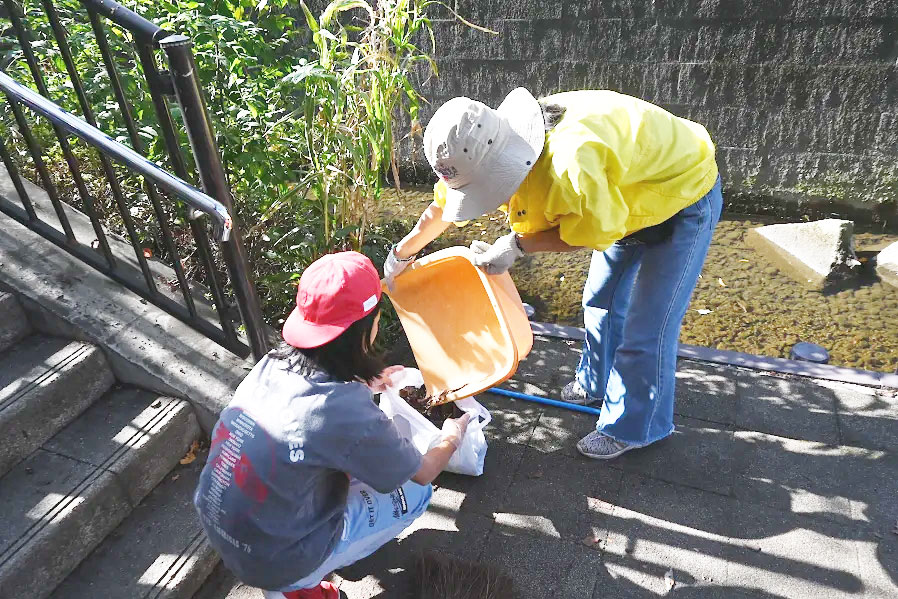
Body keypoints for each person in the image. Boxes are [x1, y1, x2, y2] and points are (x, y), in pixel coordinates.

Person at [384, 88, 722, 460]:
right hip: (623, 193)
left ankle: (636, 427)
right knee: (600, 299)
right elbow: (442, 206)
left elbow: (590, 234)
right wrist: (401, 254)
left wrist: (515, 247)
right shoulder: (483, 141)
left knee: (648, 329)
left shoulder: (572, 166)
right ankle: (595, 382)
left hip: (682, 194)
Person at [194, 251, 471, 599]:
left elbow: (311, 410)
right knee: (416, 495)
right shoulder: (343, 411)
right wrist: (450, 436)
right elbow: (423, 472)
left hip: (225, 527)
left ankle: (292, 581)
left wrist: (368, 382)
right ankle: (299, 581)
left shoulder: (272, 363)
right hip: (276, 559)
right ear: (366, 328)